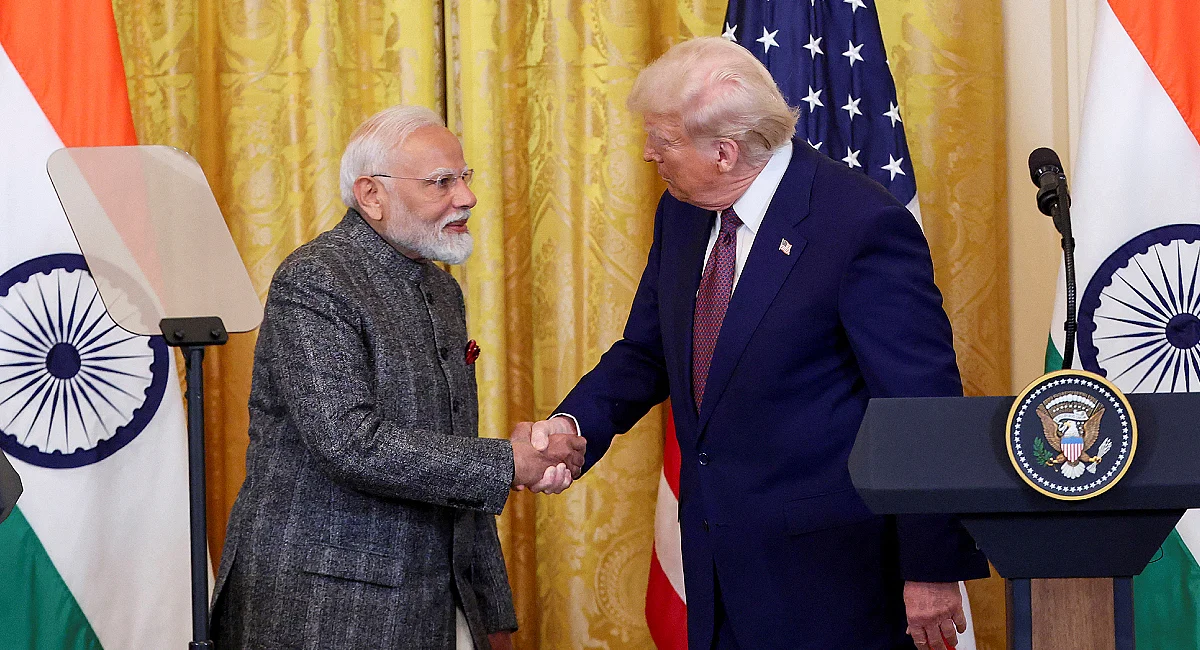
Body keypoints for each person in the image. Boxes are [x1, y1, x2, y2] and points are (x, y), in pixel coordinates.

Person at [526, 38, 989, 649]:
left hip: (833, 584)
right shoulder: (683, 213)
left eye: (662, 140)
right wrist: (572, 425)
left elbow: (921, 406)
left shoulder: (858, 224)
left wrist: (929, 567)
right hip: (716, 570)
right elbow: (647, 351)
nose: (648, 154)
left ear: (724, 152)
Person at [211, 105, 583, 650]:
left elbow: (452, 456)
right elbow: (349, 443)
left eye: (464, 177)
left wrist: (490, 610)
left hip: (435, 605)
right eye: (441, 182)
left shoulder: (441, 290)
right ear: (371, 195)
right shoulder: (315, 279)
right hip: (325, 612)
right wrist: (509, 462)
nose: (467, 197)